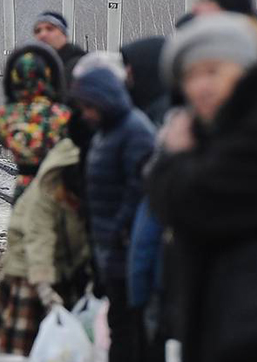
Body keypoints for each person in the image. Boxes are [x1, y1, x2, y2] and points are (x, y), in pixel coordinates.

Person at [151, 12, 257, 362]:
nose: (201, 86)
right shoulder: (224, 130)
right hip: (232, 324)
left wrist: (172, 156)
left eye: (213, 71)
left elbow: (188, 205)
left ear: (245, 69)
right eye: (190, 76)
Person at [69, 64, 156, 362]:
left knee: (128, 330)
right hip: (112, 249)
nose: (86, 114)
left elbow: (138, 190)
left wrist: (119, 231)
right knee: (120, 326)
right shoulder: (107, 132)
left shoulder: (133, 131)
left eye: (89, 106)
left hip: (126, 249)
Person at [0, 109, 94, 357]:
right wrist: (45, 289)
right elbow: (39, 239)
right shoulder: (47, 191)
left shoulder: (87, 178)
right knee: (26, 340)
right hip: (27, 262)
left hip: (68, 263)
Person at [0, 41, 71, 202]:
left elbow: (4, 140)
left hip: (24, 187)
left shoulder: (6, 115)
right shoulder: (61, 114)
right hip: (55, 186)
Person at [121, 37, 168, 125]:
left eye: (132, 64)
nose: (127, 71)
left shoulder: (163, 117)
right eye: (126, 64)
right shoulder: (140, 107)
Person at [33, 11, 87, 85]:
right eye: (37, 31)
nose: (43, 34)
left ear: (64, 34)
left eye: (50, 29)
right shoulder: (30, 68)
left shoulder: (82, 66)